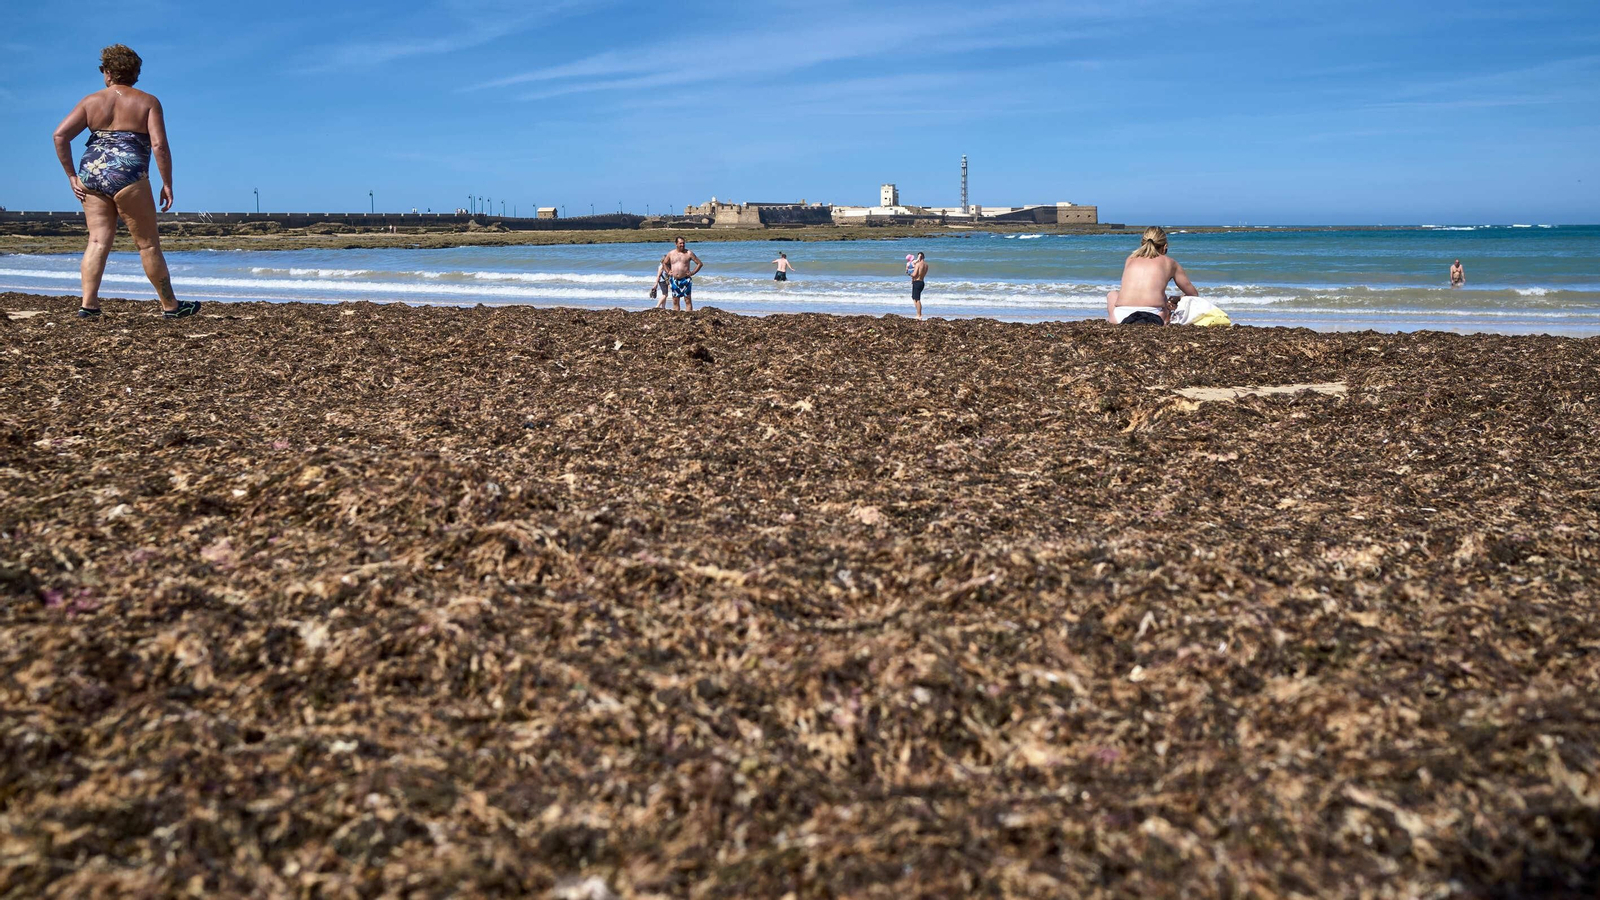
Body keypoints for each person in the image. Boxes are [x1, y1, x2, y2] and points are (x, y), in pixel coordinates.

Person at [52, 44, 198, 319]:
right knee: (148, 245)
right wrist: (167, 183)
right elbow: (159, 146)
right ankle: (171, 306)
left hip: (92, 172)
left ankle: (89, 305)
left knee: (96, 241)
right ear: (135, 73)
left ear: (107, 72)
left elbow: (60, 136)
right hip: (128, 174)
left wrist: (72, 176)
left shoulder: (90, 101)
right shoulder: (148, 101)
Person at [1105, 226, 1196, 325]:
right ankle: (1165, 319)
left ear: (1142, 244)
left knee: (1112, 294)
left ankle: (1113, 319)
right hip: (1153, 316)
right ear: (1165, 247)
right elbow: (1193, 294)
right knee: (1163, 298)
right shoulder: (1170, 263)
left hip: (1121, 316)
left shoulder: (1130, 258)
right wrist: (1178, 299)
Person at [661, 236, 702, 312]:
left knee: (687, 300)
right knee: (675, 300)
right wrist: (668, 271)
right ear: (676, 244)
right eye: (680, 243)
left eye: (683, 243)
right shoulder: (671, 253)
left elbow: (699, 264)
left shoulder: (689, 253)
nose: (682, 245)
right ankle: (677, 318)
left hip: (686, 280)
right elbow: (664, 263)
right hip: (674, 280)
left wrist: (692, 273)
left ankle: (689, 317)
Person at [909, 251, 928, 320]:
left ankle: (919, 315)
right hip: (922, 282)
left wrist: (909, 273)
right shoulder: (926, 265)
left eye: (919, 256)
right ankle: (918, 313)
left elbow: (914, 274)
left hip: (917, 282)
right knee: (914, 297)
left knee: (917, 299)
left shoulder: (918, 264)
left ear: (920, 257)